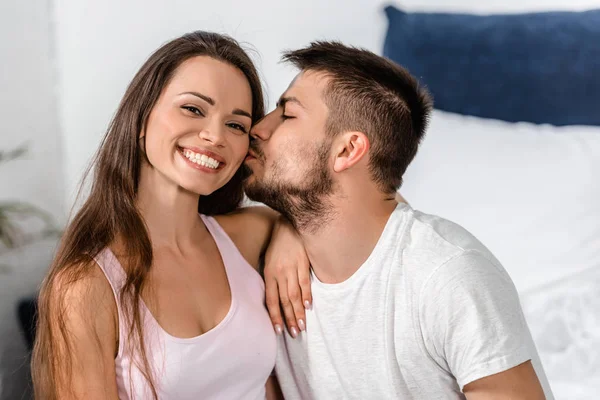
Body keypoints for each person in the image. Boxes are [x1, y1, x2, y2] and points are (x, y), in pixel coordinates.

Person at [245, 41, 554, 399]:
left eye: (287, 114)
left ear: (347, 150)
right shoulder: (257, 260)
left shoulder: (447, 276)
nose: (258, 128)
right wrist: (284, 224)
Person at [31, 31, 308, 400]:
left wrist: (292, 229)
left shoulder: (248, 237)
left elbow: (373, 200)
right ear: (142, 119)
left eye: (236, 125)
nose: (214, 136)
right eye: (193, 109)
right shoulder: (87, 287)